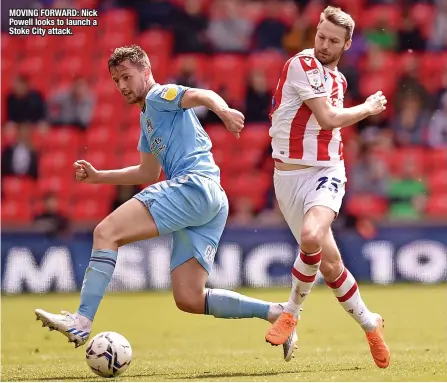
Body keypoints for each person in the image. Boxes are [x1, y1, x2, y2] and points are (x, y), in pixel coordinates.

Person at [34, 44, 294, 359]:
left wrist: (223, 111)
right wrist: (99, 176)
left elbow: (201, 95)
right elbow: (147, 171)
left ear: (146, 72)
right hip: (211, 199)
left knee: (105, 233)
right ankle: (277, 313)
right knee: (189, 297)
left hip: (193, 186)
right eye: (117, 80)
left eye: (127, 77)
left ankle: (82, 319)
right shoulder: (148, 119)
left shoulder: (160, 96)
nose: (122, 86)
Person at [264, 6, 390, 369]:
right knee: (331, 265)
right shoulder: (301, 65)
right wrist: (367, 108)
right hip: (287, 178)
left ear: (347, 44)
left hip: (326, 171)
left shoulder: (339, 81)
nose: (323, 44)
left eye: (333, 41)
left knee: (311, 236)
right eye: (320, 36)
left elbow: (329, 123)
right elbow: (328, 117)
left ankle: (291, 313)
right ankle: (371, 324)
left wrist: (360, 108)